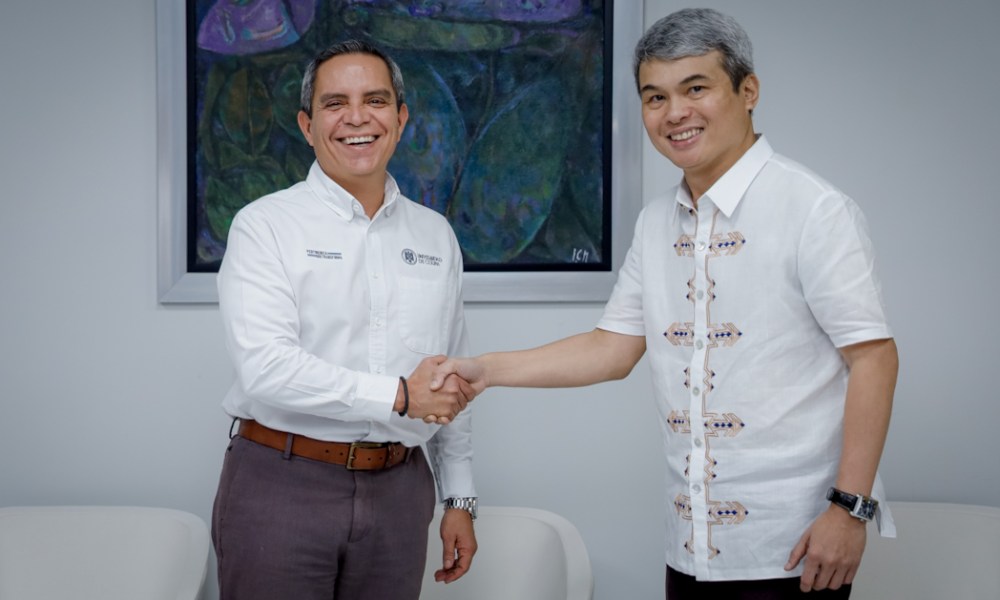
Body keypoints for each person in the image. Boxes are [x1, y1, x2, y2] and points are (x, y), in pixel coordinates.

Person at [431, 8, 898, 599]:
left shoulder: (814, 210)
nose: (674, 112)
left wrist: (850, 509)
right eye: (655, 97)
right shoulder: (656, 223)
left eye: (696, 88)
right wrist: (486, 370)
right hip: (691, 542)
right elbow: (612, 348)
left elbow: (874, 358)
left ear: (748, 91)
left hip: (796, 546)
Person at [212, 40, 479, 600]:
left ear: (401, 119)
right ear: (307, 126)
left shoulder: (435, 235)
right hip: (283, 481)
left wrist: (459, 497)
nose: (357, 118)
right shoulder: (265, 226)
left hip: (401, 490)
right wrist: (399, 396)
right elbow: (266, 369)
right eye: (335, 103)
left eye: (375, 101)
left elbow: (450, 375)